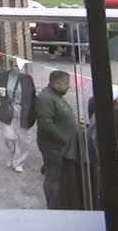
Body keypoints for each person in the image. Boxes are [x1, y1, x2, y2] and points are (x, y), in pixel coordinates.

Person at [36, 69, 81, 209]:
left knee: (62, 177)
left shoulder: (57, 96)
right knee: (53, 178)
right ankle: (54, 207)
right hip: (54, 147)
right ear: (56, 83)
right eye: (65, 83)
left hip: (63, 146)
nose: (68, 86)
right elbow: (46, 124)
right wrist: (65, 140)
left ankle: (62, 203)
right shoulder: (45, 98)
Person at [0, 57, 36, 172]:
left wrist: (33, 113)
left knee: (23, 138)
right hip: (8, 109)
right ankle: (12, 152)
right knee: (8, 136)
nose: (17, 68)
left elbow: (32, 96)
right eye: (15, 65)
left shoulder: (27, 79)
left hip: (22, 110)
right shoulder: (2, 76)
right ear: (10, 65)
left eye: (19, 66)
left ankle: (18, 162)